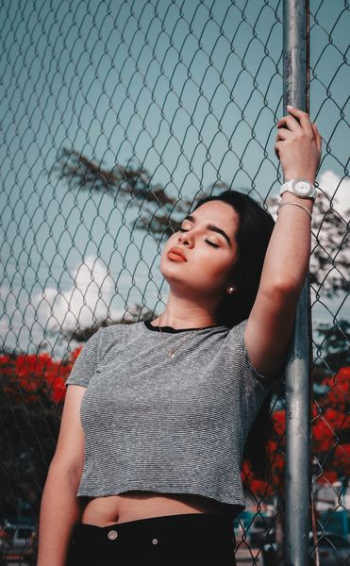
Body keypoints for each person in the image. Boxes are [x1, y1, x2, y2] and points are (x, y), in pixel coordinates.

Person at [37, 106, 322, 566]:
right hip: (88, 549)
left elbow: (282, 283)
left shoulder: (240, 352)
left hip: (181, 549)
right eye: (186, 226)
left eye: (213, 240)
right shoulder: (107, 344)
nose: (186, 238)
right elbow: (66, 468)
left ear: (237, 277)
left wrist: (300, 177)